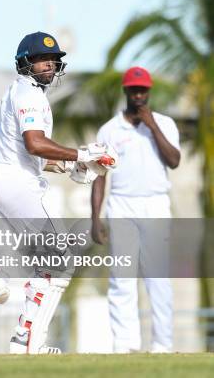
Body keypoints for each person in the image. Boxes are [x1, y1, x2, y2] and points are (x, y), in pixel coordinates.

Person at [0, 32, 116, 354]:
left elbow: (30, 153)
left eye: (53, 60)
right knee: (58, 263)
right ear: (25, 62)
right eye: (42, 59)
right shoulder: (30, 94)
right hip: (13, 185)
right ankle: (29, 343)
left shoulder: (16, 93)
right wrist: (81, 155)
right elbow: (34, 143)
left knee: (1, 286)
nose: (49, 65)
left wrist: (68, 167)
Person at [91, 66, 180, 353]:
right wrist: (95, 218)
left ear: (149, 91)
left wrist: (152, 126)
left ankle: (162, 344)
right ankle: (125, 344)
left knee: (159, 279)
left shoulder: (164, 123)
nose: (139, 95)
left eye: (143, 90)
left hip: (155, 204)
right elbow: (100, 177)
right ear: (126, 91)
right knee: (121, 278)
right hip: (121, 206)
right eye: (134, 90)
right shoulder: (109, 130)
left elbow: (174, 161)